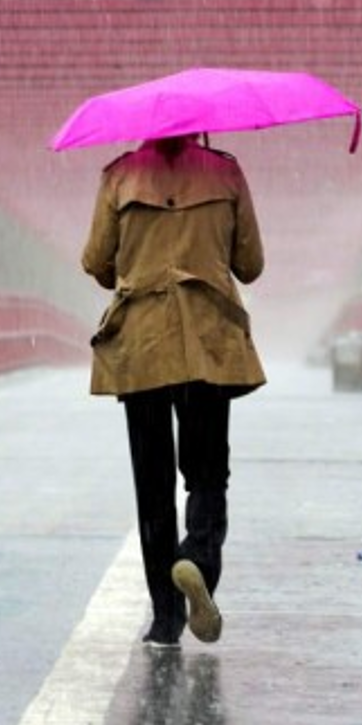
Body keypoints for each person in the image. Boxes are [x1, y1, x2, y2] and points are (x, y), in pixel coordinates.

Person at [81, 132, 265, 648]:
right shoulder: (225, 173)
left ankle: (166, 619)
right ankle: (198, 559)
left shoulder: (120, 176)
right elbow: (250, 265)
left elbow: (97, 263)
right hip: (208, 343)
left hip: (141, 346)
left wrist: (140, 257)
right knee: (207, 471)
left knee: (153, 483)